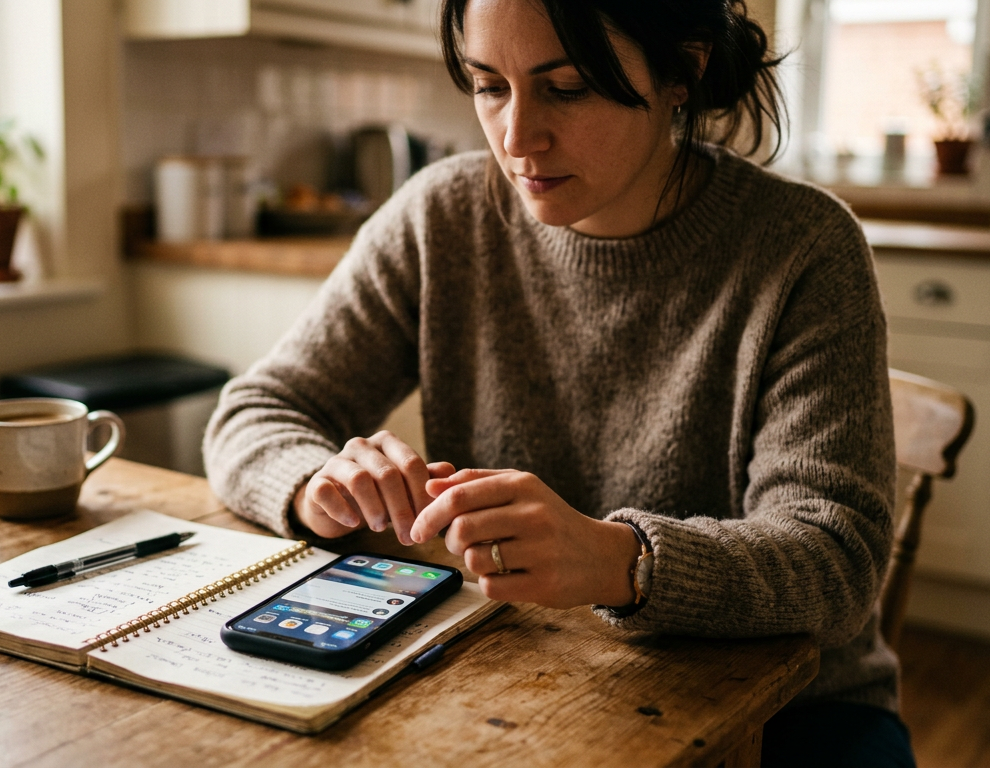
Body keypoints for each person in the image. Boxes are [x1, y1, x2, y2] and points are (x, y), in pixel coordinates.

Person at [204, 1, 913, 765]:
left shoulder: (804, 250)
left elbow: (838, 558)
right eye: (488, 85)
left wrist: (622, 562)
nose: (516, 138)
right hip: (524, 686)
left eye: (568, 88)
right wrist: (319, 482)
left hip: (793, 716)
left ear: (684, 72)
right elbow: (255, 412)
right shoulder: (439, 218)